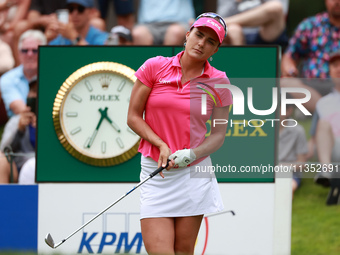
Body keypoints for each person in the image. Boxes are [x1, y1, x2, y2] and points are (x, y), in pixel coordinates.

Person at [127, 13, 232, 254]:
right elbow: (133, 117)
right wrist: (161, 144)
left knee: (184, 251)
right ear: (187, 34)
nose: (201, 43)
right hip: (156, 171)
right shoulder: (155, 66)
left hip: (192, 173)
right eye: (198, 35)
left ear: (215, 49)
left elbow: (218, 135)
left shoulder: (219, 82)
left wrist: (192, 154)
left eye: (210, 41)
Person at [280, 0, 340, 112]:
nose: (337, 2)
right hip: (312, 87)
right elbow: (289, 56)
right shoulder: (310, 25)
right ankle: (327, 112)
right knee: (285, 82)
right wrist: (290, 71)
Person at [310, 50, 340, 188]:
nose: (338, 69)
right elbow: (314, 139)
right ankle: (326, 172)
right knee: (323, 123)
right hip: (332, 150)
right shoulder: (323, 103)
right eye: (334, 65)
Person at [0, 29, 46, 117]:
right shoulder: (7, 78)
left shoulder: (51, 77)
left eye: (35, 50)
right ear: (18, 53)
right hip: (20, 128)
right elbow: (20, 109)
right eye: (25, 50)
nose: (30, 54)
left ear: (44, 53)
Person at [0, 77, 37, 183]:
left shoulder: (51, 122)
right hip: (18, 168)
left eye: (37, 92)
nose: (34, 95)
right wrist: (19, 130)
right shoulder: (16, 121)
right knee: (1, 161)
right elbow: (5, 150)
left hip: (42, 166)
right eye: (32, 91)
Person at [217, 0, 289, 46]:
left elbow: (279, 11)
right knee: (233, 29)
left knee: (275, 7)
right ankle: (241, 66)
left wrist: (222, 22)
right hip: (237, 34)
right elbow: (223, 16)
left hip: (265, 33)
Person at [278, 94, 308, 197]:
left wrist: (281, 167)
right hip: (266, 171)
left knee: (288, 188)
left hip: (291, 174)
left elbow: (302, 163)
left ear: (289, 111)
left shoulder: (298, 131)